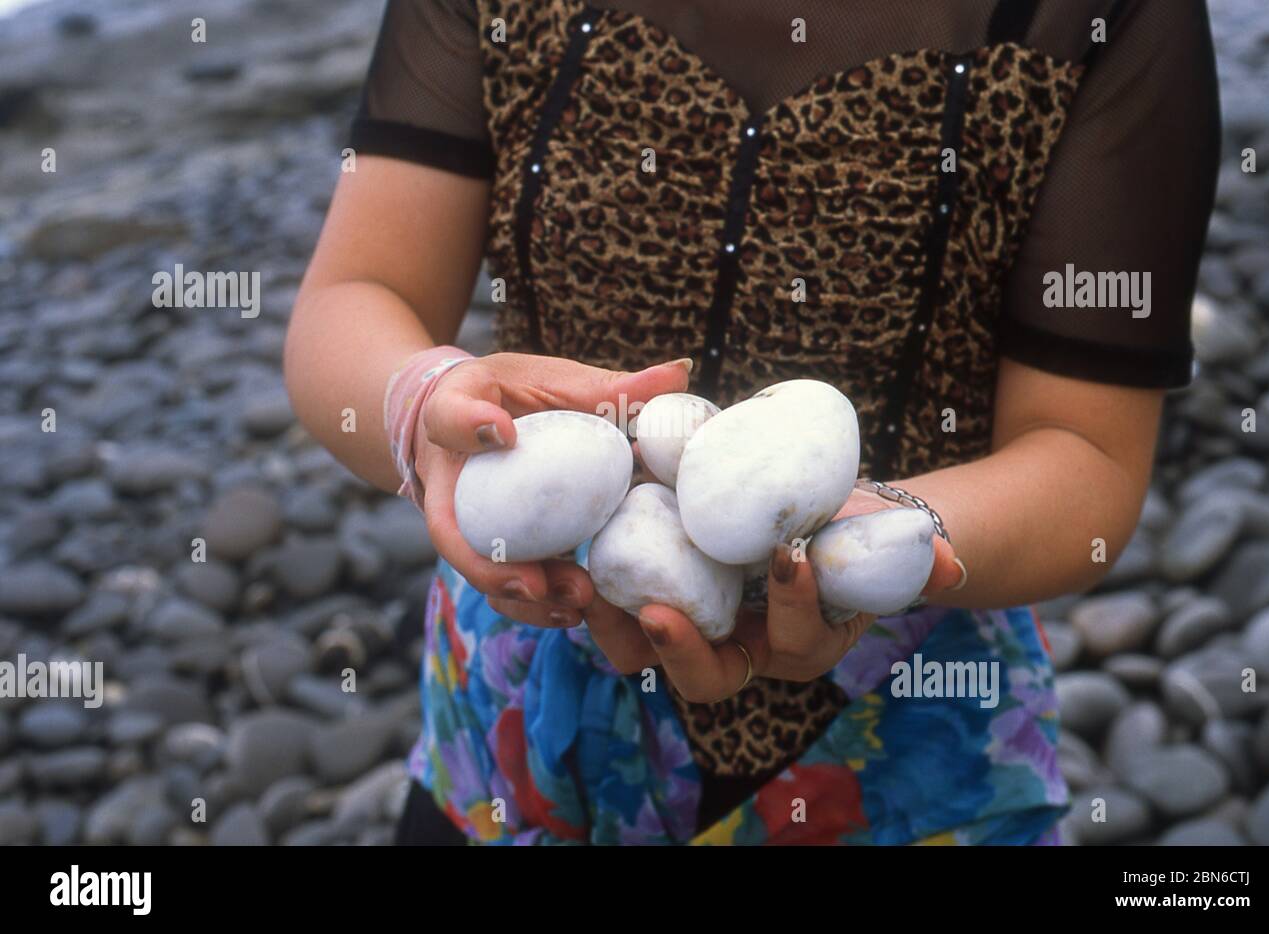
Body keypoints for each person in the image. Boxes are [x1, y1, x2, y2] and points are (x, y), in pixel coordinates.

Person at [284, 0, 1220, 844]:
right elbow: (358, 293)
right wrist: (421, 407)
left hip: (901, 741)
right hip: (517, 720)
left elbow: (1089, 457)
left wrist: (865, 548)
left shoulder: (1098, 13)